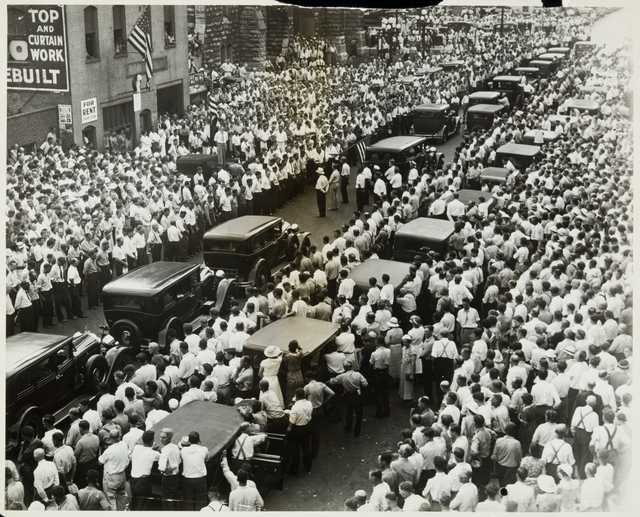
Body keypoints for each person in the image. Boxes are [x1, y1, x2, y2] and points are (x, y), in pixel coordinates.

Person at [329, 360, 368, 437]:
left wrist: (328, 380)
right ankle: (357, 431)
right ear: (351, 367)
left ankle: (348, 427)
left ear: (344, 367)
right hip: (357, 395)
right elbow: (365, 384)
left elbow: (333, 381)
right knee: (359, 413)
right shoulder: (358, 374)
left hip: (348, 395)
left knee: (349, 412)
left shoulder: (342, 376)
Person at [97, 428, 130, 510]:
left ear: (110, 438)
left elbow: (100, 462)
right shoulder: (124, 444)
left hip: (112, 477)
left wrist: (100, 453)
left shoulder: (109, 450)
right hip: (122, 474)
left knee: (111, 498)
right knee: (122, 496)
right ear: (119, 437)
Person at [130, 430, 160, 510]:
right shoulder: (155, 454)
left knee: (135, 502)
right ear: (152, 441)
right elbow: (160, 457)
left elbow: (142, 449)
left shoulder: (136, 448)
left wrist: (152, 448)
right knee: (142, 504)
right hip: (143, 482)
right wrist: (154, 449)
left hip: (133, 480)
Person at [286, 388, 314, 475]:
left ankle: (294, 470)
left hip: (297, 429)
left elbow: (292, 422)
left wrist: (288, 429)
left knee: (295, 450)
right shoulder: (309, 403)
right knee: (306, 448)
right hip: (307, 427)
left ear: (297, 396)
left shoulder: (295, 407)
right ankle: (308, 467)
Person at [180, 432, 210, 511]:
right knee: (201, 503)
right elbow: (207, 459)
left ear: (189, 441)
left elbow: (180, 445)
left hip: (188, 480)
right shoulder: (204, 449)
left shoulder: (183, 450)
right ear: (199, 440)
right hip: (200, 479)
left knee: (188, 502)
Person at [284, 340, 305, 404]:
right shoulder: (300, 354)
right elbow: (301, 351)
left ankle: (290, 404)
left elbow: (285, 364)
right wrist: (299, 348)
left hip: (291, 374)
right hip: (299, 373)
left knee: (290, 391)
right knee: (299, 390)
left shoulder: (287, 356)